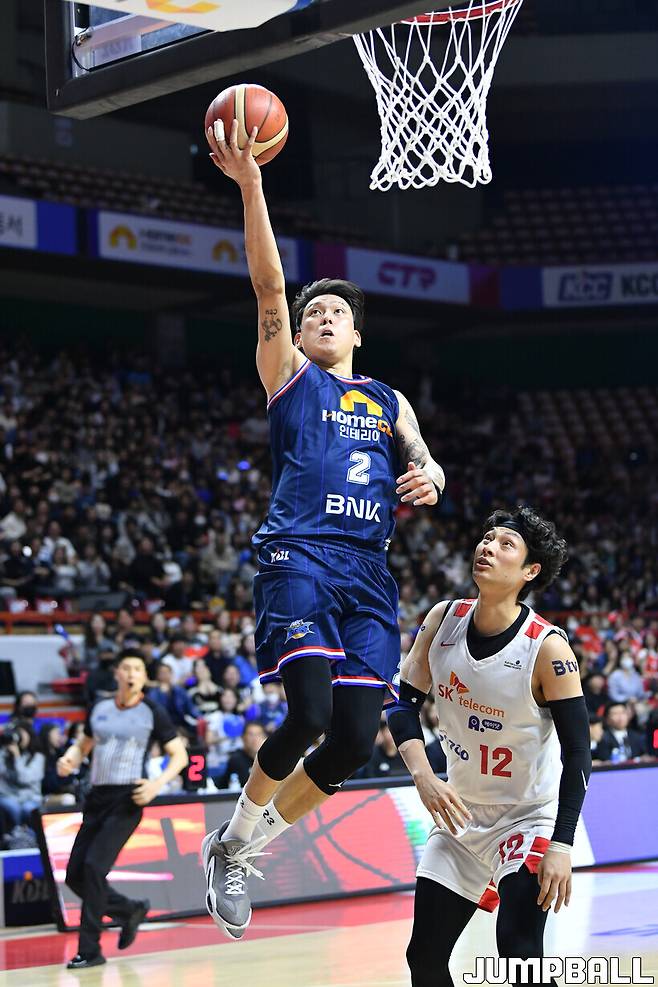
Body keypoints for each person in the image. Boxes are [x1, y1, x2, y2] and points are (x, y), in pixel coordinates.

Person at [202, 118, 445, 941]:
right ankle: (235, 844)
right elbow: (269, 285)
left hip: (369, 573)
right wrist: (252, 184)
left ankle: (240, 847)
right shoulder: (289, 375)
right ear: (299, 334)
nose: (325, 315)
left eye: (338, 311)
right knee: (306, 712)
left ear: (358, 333)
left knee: (350, 741)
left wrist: (432, 476)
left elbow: (426, 458)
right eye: (315, 312)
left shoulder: (388, 399)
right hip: (299, 555)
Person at [387, 507, 591, 987]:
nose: (488, 547)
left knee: (518, 955)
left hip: (527, 818)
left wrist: (561, 843)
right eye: (487, 538)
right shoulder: (443, 620)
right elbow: (402, 704)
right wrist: (423, 775)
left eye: (505, 544)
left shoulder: (547, 649)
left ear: (529, 572)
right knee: (424, 959)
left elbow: (579, 755)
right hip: (460, 816)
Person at [56, 649, 188, 969]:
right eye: (126, 668)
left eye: (137, 669)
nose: (131, 674)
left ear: (144, 677)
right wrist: (71, 757)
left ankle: (90, 950)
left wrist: (156, 785)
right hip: (96, 797)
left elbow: (180, 755)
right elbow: (84, 744)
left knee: (93, 868)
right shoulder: (99, 707)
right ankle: (129, 909)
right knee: (75, 875)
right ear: (116, 673)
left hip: (128, 798)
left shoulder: (152, 711)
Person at [217, 722, 267, 790]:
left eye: (258, 734)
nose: (255, 739)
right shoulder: (236, 760)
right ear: (243, 738)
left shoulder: (269, 759)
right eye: (251, 735)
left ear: (265, 737)